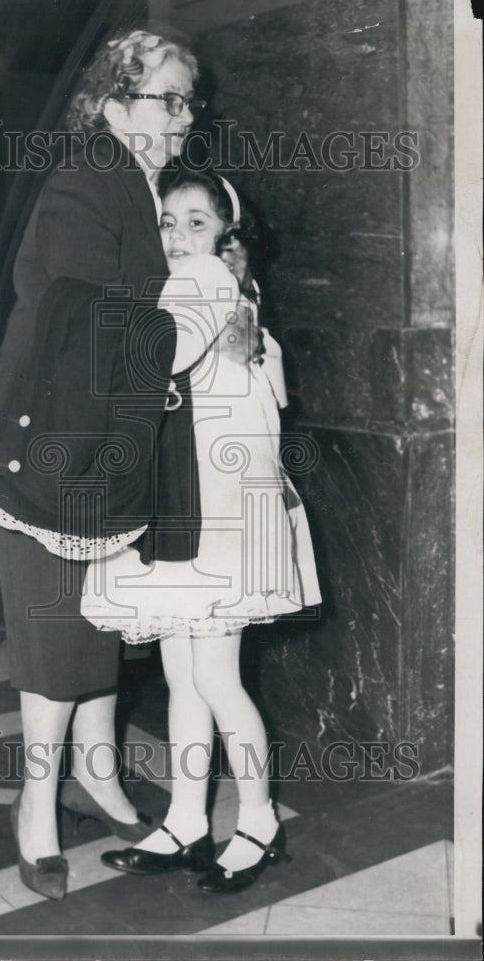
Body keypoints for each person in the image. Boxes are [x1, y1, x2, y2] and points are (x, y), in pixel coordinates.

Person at [0, 28, 216, 900]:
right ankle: (36, 807)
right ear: (114, 105)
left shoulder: (154, 187)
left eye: (189, 101)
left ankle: (98, 778)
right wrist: (194, 323)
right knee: (53, 634)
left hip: (111, 441)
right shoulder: (86, 179)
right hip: (52, 448)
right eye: (168, 99)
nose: (184, 116)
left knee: (102, 621)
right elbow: (82, 316)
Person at [82, 167, 321, 892]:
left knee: (213, 676)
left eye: (196, 219)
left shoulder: (206, 279)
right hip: (195, 506)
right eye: (167, 221)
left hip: (219, 517)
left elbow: (168, 351)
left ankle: (257, 819)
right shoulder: (226, 290)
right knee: (185, 675)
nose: (180, 234)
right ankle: (188, 819)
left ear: (223, 230)